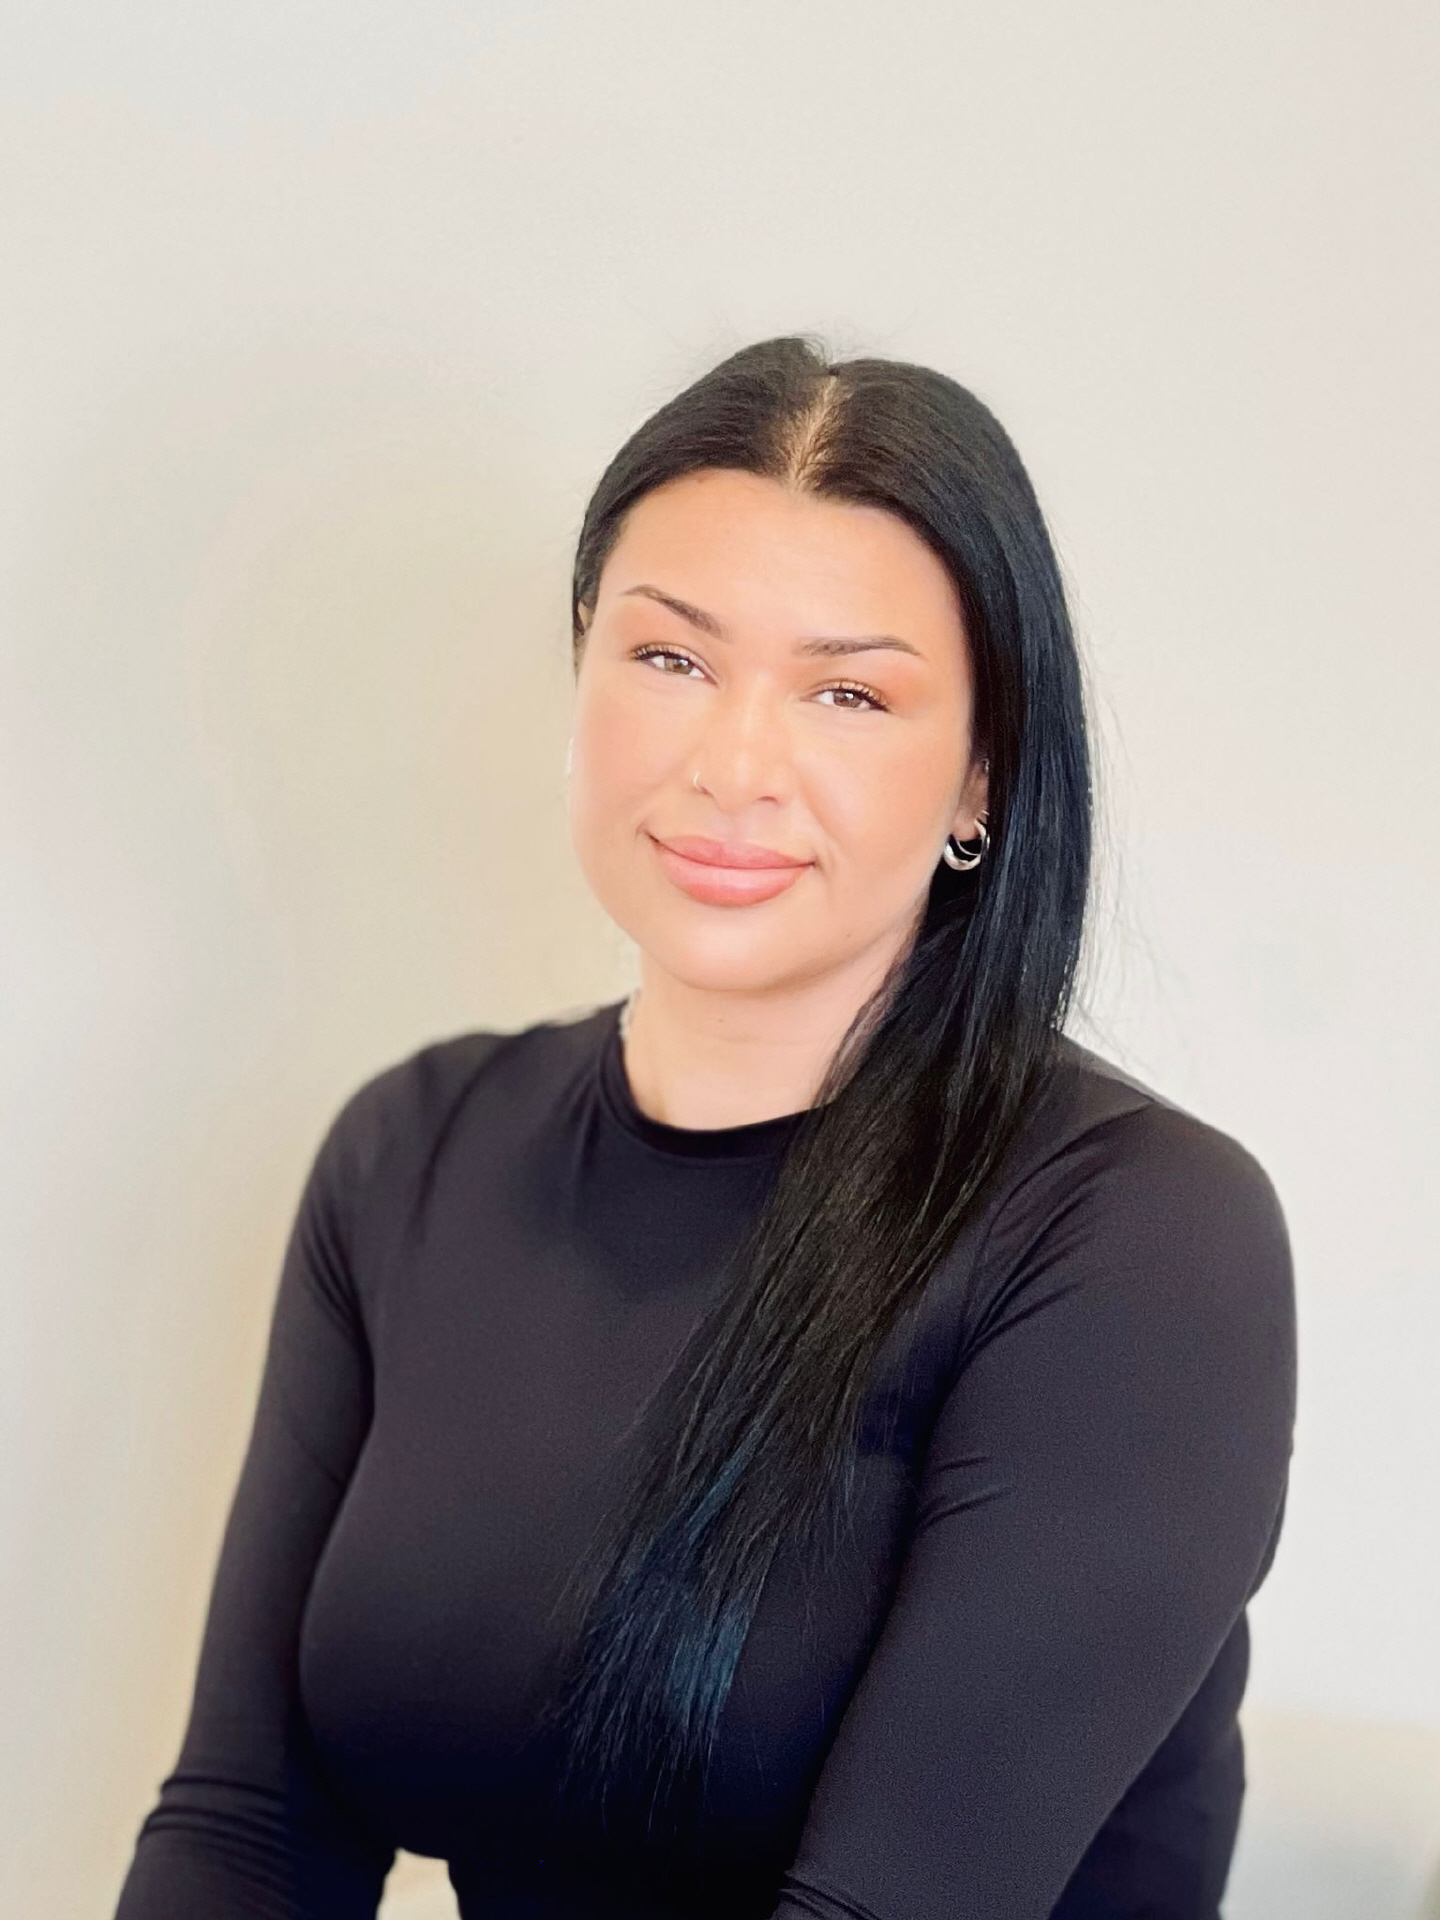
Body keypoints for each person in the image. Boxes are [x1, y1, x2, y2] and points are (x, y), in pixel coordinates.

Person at [111, 334, 1297, 1920]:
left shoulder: (1140, 1240)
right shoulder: (413, 1154)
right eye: (671, 660)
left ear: (981, 779)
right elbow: (251, 1829)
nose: (734, 766)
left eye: (849, 692)